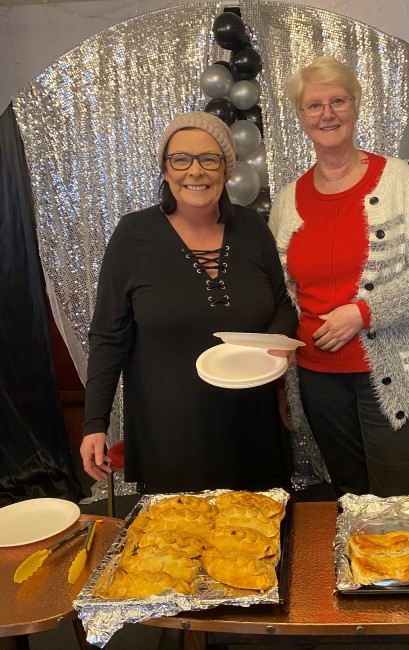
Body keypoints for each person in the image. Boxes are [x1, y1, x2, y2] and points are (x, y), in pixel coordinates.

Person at [269, 56, 409, 499]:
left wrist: (363, 312)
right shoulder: (287, 201)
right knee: (347, 489)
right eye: (314, 106)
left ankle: (393, 573)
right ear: (300, 117)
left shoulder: (398, 181)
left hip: (387, 366)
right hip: (316, 375)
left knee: (394, 491)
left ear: (355, 107)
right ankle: (353, 567)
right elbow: (282, 294)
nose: (327, 114)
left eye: (338, 101)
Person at [80, 111, 298, 494]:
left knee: (260, 538)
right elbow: (108, 336)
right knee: (177, 544)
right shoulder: (134, 236)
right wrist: (94, 422)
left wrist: (275, 350)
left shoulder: (252, 229)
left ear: (226, 170)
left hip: (252, 426)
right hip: (171, 436)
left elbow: (282, 306)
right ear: (165, 170)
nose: (194, 171)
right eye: (180, 159)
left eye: (209, 159)